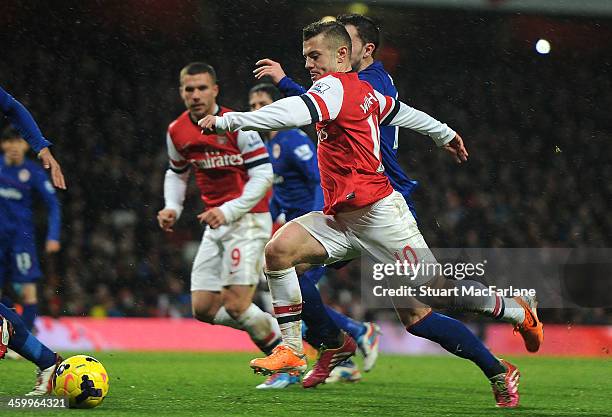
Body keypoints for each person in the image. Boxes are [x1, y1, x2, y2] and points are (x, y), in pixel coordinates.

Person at [199, 21, 542, 407]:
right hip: (341, 218)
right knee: (278, 252)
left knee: (430, 304)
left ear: (344, 54)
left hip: (381, 215)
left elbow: (295, 112)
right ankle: (293, 350)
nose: (309, 64)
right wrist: (443, 132)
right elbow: (401, 112)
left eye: (315, 56)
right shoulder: (365, 90)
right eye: (306, 57)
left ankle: (512, 316)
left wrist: (230, 120)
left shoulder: (335, 86)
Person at [249, 83, 375, 389]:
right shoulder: (270, 145)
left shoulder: (293, 140)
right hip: (291, 231)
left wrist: (320, 219)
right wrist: (276, 217)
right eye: (252, 105)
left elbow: (317, 179)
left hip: (314, 230)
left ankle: (340, 342)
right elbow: (279, 190)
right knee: (294, 295)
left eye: (263, 104)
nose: (257, 111)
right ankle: (348, 346)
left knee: (296, 291)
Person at [157, 62, 281, 356]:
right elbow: (176, 172)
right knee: (203, 308)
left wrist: (228, 210)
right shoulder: (177, 131)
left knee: (236, 304)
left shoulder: (237, 124)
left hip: (249, 220)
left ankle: (285, 357)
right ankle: (279, 333)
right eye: (190, 89)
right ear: (181, 93)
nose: (196, 95)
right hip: (217, 224)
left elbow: (263, 176)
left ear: (215, 90)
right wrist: (172, 206)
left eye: (202, 88)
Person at [0, 85, 65, 395]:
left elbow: (11, 106)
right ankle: (43, 358)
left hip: (21, 240)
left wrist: (41, 147)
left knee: (26, 292)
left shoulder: (30, 174)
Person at [0, 126, 61, 337]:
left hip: (21, 240)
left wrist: (53, 235)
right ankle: (6, 334)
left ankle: (22, 341)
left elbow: (53, 204)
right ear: (3, 144)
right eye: (10, 142)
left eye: (19, 142)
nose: (15, 147)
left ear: (26, 145)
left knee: (27, 292)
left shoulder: (33, 171)